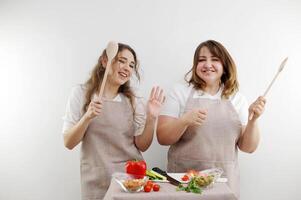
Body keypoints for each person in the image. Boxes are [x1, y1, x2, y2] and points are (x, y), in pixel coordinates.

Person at [157, 40, 266, 198]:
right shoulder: (180, 92)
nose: (208, 64)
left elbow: (248, 147)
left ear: (224, 65)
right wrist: (184, 120)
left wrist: (253, 121)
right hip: (183, 183)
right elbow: (162, 138)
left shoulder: (237, 99)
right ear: (195, 66)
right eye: (202, 60)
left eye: (215, 59)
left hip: (224, 184)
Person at [62, 42, 164, 200]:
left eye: (131, 65)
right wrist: (87, 117)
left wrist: (151, 118)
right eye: (122, 61)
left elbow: (142, 145)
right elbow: (68, 142)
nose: (127, 68)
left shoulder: (133, 100)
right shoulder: (80, 93)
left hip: (131, 180)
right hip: (96, 180)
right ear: (105, 61)